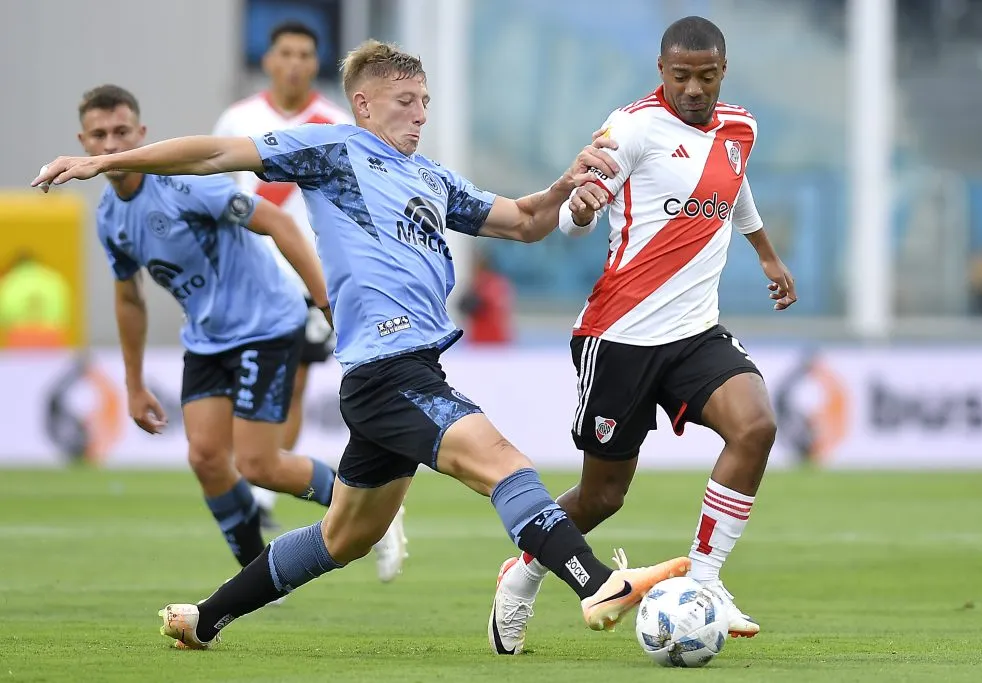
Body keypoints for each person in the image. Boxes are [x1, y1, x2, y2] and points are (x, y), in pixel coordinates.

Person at [35, 40, 693, 651]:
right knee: (505, 465)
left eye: (425, 101)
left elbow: (524, 223)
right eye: (405, 101)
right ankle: (597, 583)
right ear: (364, 104)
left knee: (345, 535)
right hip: (389, 370)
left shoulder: (433, 178)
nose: (420, 113)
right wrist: (109, 162)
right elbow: (216, 154)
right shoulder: (335, 151)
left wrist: (563, 183)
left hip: (400, 372)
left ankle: (206, 618)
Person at [487, 16, 797, 655]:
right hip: (620, 336)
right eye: (680, 76)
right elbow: (581, 205)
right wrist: (580, 208)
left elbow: (735, 190)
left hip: (694, 334)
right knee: (604, 496)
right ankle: (520, 575)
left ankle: (706, 581)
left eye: (705, 77)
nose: (692, 88)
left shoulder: (741, 129)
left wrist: (766, 254)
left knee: (757, 426)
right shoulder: (629, 127)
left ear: (722, 73)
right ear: (662, 72)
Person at [68, 84, 344, 575]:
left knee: (258, 464)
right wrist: (132, 385)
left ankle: (368, 506)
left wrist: (324, 302)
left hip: (266, 323)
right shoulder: (110, 217)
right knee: (206, 457)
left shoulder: (184, 184)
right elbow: (129, 297)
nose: (111, 145)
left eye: (121, 132)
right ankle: (258, 573)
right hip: (208, 337)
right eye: (100, 135)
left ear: (142, 134)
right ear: (83, 142)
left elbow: (276, 220)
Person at [213, 25, 412, 571]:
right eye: (286, 53)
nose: (296, 63)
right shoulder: (239, 120)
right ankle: (275, 477)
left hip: (308, 284)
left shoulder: (334, 122)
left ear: (315, 62)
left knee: (295, 384)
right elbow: (225, 197)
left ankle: (266, 488)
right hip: (247, 284)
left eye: (306, 54)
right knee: (254, 392)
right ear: (270, 61)